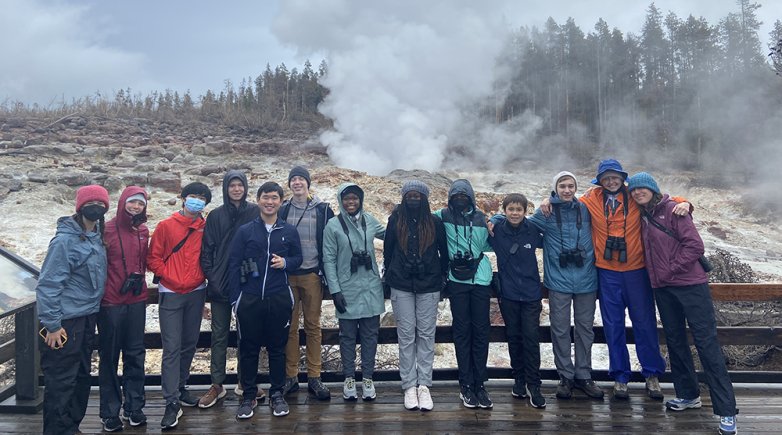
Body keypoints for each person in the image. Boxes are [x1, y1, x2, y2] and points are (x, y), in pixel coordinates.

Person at [540, 159, 689, 400]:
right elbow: (564, 200)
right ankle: (620, 377)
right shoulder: (591, 199)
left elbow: (663, 200)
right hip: (607, 273)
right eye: (606, 177)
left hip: (637, 271)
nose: (611, 181)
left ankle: (652, 375)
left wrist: (685, 203)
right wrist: (548, 199)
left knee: (645, 324)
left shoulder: (634, 196)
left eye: (615, 177)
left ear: (622, 178)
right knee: (613, 327)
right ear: (599, 180)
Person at [628, 172, 737, 435]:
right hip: (663, 290)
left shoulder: (675, 210)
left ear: (653, 190)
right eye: (633, 190)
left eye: (642, 188)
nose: (637, 193)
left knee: (706, 343)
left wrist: (670, 271)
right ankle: (688, 395)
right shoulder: (642, 215)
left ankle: (726, 411)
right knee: (675, 341)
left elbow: (695, 247)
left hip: (690, 286)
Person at [37, 184, 109, 435]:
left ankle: (72, 427)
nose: (97, 208)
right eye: (92, 204)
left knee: (80, 377)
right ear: (79, 207)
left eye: (102, 205)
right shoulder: (64, 241)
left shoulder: (96, 236)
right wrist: (53, 325)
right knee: (61, 381)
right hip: (65, 322)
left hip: (88, 317)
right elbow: (48, 284)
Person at [526, 172, 603, 401]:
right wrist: (495, 220)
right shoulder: (545, 212)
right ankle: (565, 376)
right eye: (562, 186)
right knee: (559, 329)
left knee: (585, 329)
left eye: (571, 186)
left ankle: (584, 374)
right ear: (555, 188)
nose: (567, 190)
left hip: (587, 279)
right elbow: (520, 223)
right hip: (558, 280)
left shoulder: (587, 208)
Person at [228, 181, 302, 419]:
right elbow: (233, 264)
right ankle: (248, 395)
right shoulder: (246, 231)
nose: (270, 202)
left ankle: (277, 393)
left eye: (274, 198)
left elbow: (298, 258)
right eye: (265, 197)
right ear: (258, 200)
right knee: (248, 348)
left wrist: (286, 263)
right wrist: (235, 300)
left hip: (278, 296)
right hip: (249, 298)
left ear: (281, 202)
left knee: (277, 348)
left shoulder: (289, 231)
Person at [198, 171, 264, 408]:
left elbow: (259, 246)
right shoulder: (215, 215)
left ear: (246, 188)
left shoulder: (255, 212)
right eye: (232, 185)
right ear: (226, 188)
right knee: (219, 335)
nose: (236, 189)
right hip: (220, 284)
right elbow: (207, 250)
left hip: (246, 283)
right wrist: (212, 277)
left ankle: (245, 382)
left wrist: (254, 278)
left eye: (240, 185)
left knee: (247, 334)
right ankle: (217, 384)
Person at [147, 182, 210, 429]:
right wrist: (170, 277)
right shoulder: (165, 226)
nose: (196, 201)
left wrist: (199, 278)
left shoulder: (206, 228)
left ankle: (181, 387)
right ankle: (171, 401)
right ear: (183, 198)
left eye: (201, 198)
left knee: (189, 344)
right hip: (171, 293)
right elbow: (153, 257)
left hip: (196, 291)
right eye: (193, 196)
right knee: (171, 347)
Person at [383, 180, 448, 411]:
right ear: (403, 197)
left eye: (417, 195)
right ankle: (409, 385)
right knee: (407, 335)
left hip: (429, 284)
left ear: (425, 198)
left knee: (426, 335)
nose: (413, 199)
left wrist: (443, 278)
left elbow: (444, 252)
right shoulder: (395, 220)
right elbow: (388, 251)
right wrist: (387, 276)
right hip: (401, 283)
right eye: (409, 195)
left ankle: (424, 385)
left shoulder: (435, 222)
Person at [434, 179, 494, 409]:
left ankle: (480, 383)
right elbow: (417, 214)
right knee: (462, 331)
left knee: (480, 331)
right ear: (450, 198)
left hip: (479, 279)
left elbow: (492, 241)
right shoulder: (442, 215)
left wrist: (496, 220)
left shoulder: (482, 218)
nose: (460, 200)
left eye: (464, 196)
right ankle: (465, 384)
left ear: (471, 197)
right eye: (456, 196)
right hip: (456, 281)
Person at [322, 183, 386, 402]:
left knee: (370, 336)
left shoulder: (369, 220)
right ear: (341, 200)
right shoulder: (332, 226)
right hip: (347, 288)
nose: (351, 202)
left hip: (370, 286)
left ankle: (367, 378)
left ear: (361, 200)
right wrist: (335, 290)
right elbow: (328, 259)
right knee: (347, 337)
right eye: (347, 198)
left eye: (355, 198)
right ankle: (349, 378)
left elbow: (391, 235)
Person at [279, 166, 335, 400]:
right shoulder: (283, 210)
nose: (297, 183)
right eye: (294, 179)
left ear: (308, 183)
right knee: (289, 327)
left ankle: (314, 377)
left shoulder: (323, 210)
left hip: (312, 274)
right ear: (290, 184)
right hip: (287, 275)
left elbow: (331, 242)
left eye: (301, 179)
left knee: (313, 326)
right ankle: (291, 376)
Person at [98, 186, 150, 432]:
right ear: (122, 203)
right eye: (132, 202)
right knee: (109, 357)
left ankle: (134, 407)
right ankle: (109, 412)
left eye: (140, 204)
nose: (136, 207)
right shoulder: (105, 230)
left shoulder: (143, 230)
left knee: (135, 354)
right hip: (111, 302)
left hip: (137, 299)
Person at [488, 193, 546, 409]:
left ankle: (534, 384)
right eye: (510, 209)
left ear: (525, 211)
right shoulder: (497, 231)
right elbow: (483, 228)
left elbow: (550, 236)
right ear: (504, 211)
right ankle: (519, 380)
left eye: (518, 209)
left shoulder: (533, 230)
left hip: (531, 293)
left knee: (531, 338)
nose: (514, 213)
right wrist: (491, 219)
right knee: (514, 337)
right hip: (509, 294)